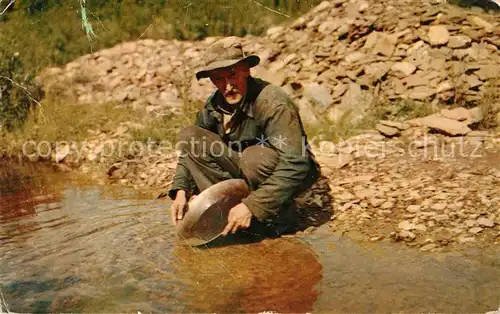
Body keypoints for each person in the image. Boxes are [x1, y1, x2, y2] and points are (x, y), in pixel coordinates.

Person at [168, 36, 320, 237]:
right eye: (219, 79)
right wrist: (181, 190)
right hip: (246, 172)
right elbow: (191, 151)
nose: (228, 85)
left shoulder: (272, 103)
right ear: (212, 80)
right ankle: (227, 211)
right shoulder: (215, 105)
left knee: (253, 157)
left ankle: (276, 218)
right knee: (190, 137)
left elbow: (296, 163)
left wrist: (252, 206)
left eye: (232, 74)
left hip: (282, 174)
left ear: (246, 70)